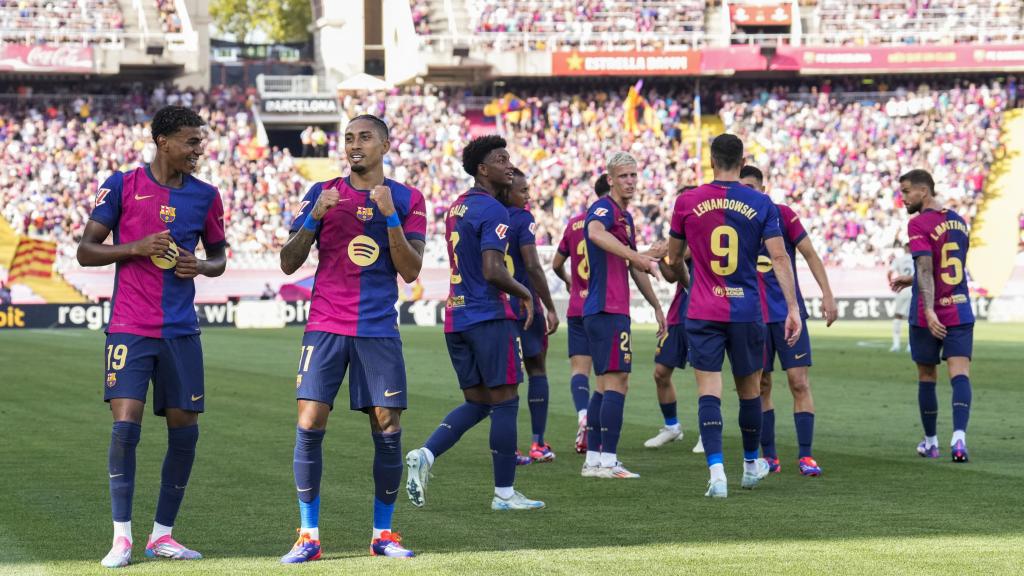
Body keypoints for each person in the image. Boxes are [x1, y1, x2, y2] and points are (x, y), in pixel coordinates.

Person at [77, 106, 227, 568]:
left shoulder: (206, 196)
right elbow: (86, 250)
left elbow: (219, 259)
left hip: (181, 331)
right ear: (163, 141)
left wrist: (199, 265)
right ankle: (121, 538)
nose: (198, 149)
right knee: (126, 426)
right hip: (130, 326)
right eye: (191, 141)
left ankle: (162, 535)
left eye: (201, 141)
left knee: (185, 431)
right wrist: (135, 248)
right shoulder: (123, 185)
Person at [276, 115, 426, 562]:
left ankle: (383, 534)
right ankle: (308, 536)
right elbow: (288, 262)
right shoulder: (321, 192)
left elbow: (411, 270)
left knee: (387, 425)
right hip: (325, 325)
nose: (354, 145)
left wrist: (390, 215)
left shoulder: (407, 198)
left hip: (377, 328)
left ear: (385, 145)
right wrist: (314, 218)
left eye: (364, 137)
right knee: (309, 423)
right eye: (348, 138)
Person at [405, 135, 544, 511]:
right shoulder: (494, 210)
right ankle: (504, 494)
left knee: (478, 402)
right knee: (506, 402)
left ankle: (426, 454)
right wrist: (525, 293)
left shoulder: (457, 207)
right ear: (483, 169)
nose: (509, 166)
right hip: (489, 316)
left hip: (457, 317)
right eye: (501, 160)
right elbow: (492, 269)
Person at [666, 134, 801, 498]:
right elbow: (779, 257)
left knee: (708, 390)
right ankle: (751, 465)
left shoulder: (687, 201)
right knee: (750, 391)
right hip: (746, 309)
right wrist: (792, 308)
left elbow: (674, 259)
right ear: (742, 164)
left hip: (703, 309)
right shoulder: (761, 202)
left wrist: (687, 280)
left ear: (711, 161)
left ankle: (716, 472)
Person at [739, 166, 837, 477]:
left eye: (751, 187)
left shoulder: (783, 214)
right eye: (741, 187)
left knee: (799, 381)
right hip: (753, 316)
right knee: (761, 384)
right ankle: (769, 456)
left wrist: (827, 294)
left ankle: (806, 455)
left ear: (762, 188)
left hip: (788, 314)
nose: (746, 192)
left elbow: (810, 254)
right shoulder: (733, 218)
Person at [580, 152, 665, 480]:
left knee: (604, 385)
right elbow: (595, 233)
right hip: (607, 308)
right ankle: (609, 462)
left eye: (633, 175)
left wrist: (656, 305)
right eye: (623, 176)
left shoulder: (625, 217)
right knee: (618, 382)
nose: (630, 181)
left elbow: (633, 266)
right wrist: (638, 255)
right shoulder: (604, 208)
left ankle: (593, 461)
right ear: (611, 179)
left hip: (607, 309)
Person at [890, 169, 974, 463]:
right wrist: (912, 279)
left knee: (927, 375)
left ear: (923, 191)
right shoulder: (959, 221)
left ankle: (931, 443)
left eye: (906, 191)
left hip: (929, 313)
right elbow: (949, 268)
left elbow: (927, 268)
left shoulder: (918, 224)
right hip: (960, 308)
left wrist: (928, 309)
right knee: (960, 374)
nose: (902, 198)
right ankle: (959, 440)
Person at [498, 167, 560, 462]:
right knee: (536, 369)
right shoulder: (523, 219)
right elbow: (533, 266)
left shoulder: (488, 215)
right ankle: (537, 443)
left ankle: (509, 447)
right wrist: (550, 306)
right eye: (523, 191)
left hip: (497, 307)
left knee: (505, 378)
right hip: (526, 307)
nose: (528, 196)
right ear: (507, 191)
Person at [552, 174, 609, 454]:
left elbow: (556, 263)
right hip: (603, 305)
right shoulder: (611, 220)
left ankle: (583, 416)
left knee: (579, 370)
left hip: (577, 306)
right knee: (606, 374)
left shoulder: (575, 223)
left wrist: (568, 281)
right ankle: (598, 432)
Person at [644, 186, 696, 449]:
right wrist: (658, 256)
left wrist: (660, 253)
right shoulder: (678, 236)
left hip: (702, 312)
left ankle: (708, 432)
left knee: (705, 374)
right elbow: (672, 274)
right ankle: (672, 427)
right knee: (661, 372)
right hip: (679, 313)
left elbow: (679, 255)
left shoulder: (702, 231)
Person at [888, 243, 914, 352]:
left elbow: (890, 272)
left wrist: (890, 283)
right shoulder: (917, 258)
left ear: (905, 248)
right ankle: (910, 346)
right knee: (912, 317)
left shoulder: (899, 259)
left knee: (898, 316)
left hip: (902, 289)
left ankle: (896, 345)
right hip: (915, 288)